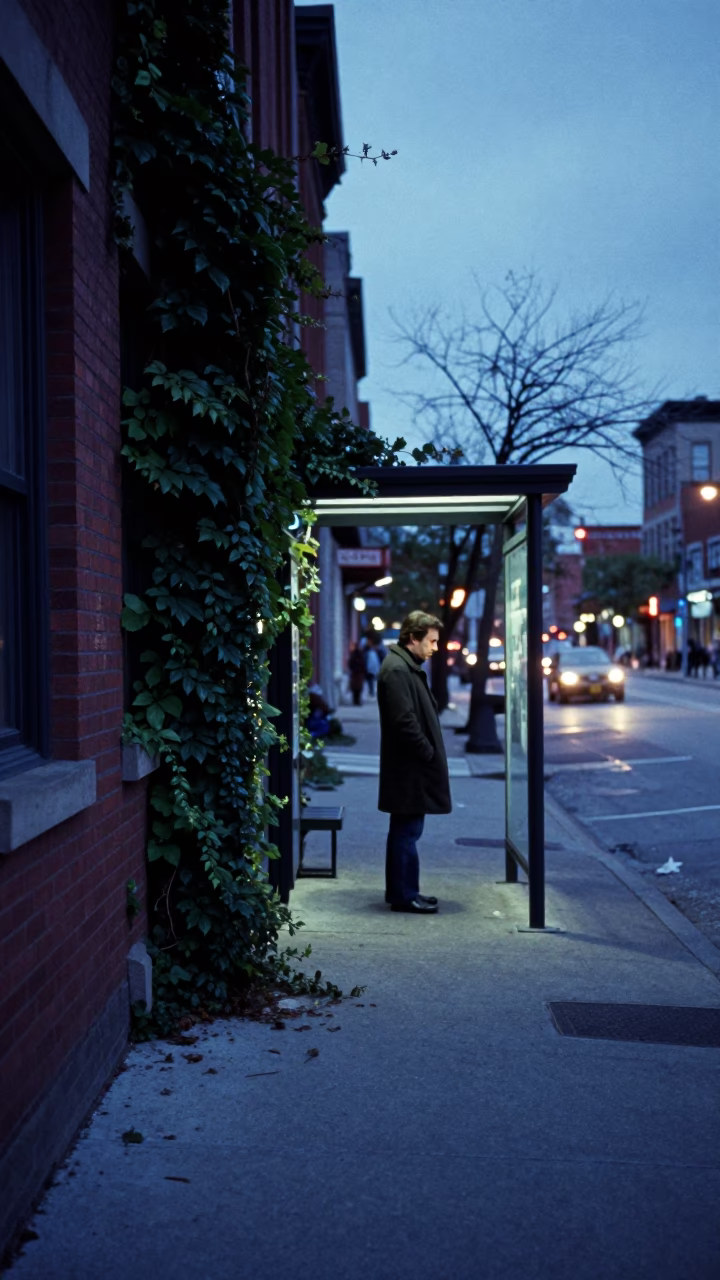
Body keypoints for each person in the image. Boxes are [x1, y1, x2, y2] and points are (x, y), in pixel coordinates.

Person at [377, 610, 451, 914]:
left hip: (410, 766)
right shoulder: (397, 670)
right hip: (408, 767)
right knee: (406, 832)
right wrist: (427, 751)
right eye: (431, 641)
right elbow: (404, 721)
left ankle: (407, 891)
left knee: (408, 830)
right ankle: (404, 895)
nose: (434, 648)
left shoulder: (405, 666)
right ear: (413, 638)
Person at [348, 641, 366, 706]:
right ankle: (357, 701)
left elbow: (350, 664)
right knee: (358, 689)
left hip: (356, 674)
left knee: (355, 689)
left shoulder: (354, 655)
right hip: (358, 674)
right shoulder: (359, 655)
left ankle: (356, 701)